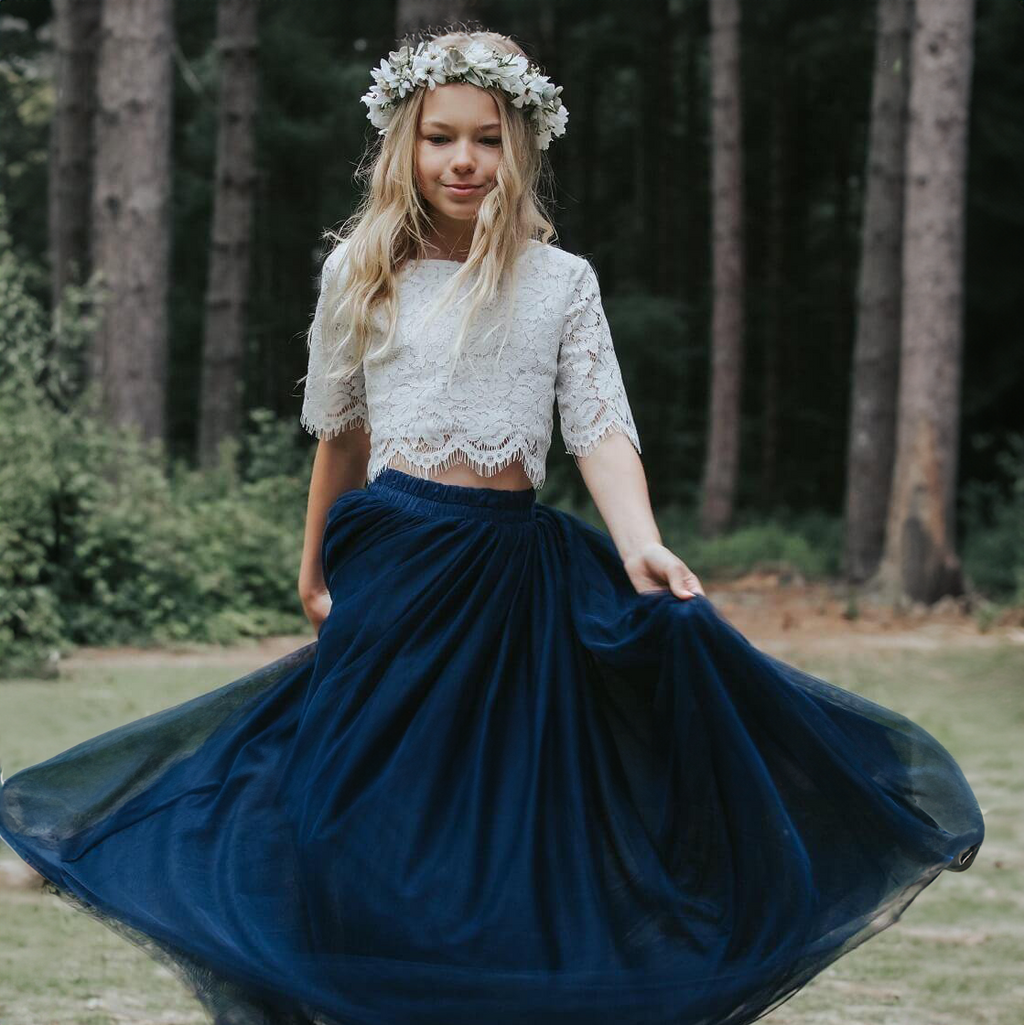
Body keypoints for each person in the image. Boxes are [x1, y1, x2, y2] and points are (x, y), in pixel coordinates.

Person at [0, 27, 983, 1025]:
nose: (462, 160)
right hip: (391, 564)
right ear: (404, 144)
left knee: (506, 822)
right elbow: (338, 440)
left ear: (521, 145)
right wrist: (311, 570)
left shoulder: (560, 282)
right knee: (348, 810)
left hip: (510, 571)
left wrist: (640, 539)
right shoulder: (360, 270)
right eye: (439, 138)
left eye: (485, 138)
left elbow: (599, 431)